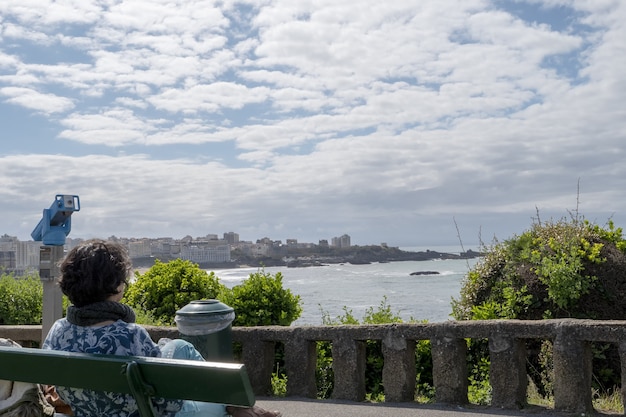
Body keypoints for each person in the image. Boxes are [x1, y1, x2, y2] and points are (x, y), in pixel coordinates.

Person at [42, 239, 281, 417]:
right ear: (115, 286)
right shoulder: (129, 335)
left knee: (177, 346)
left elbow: (60, 392)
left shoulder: (58, 331)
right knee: (211, 389)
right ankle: (238, 407)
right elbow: (168, 405)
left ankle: (239, 407)